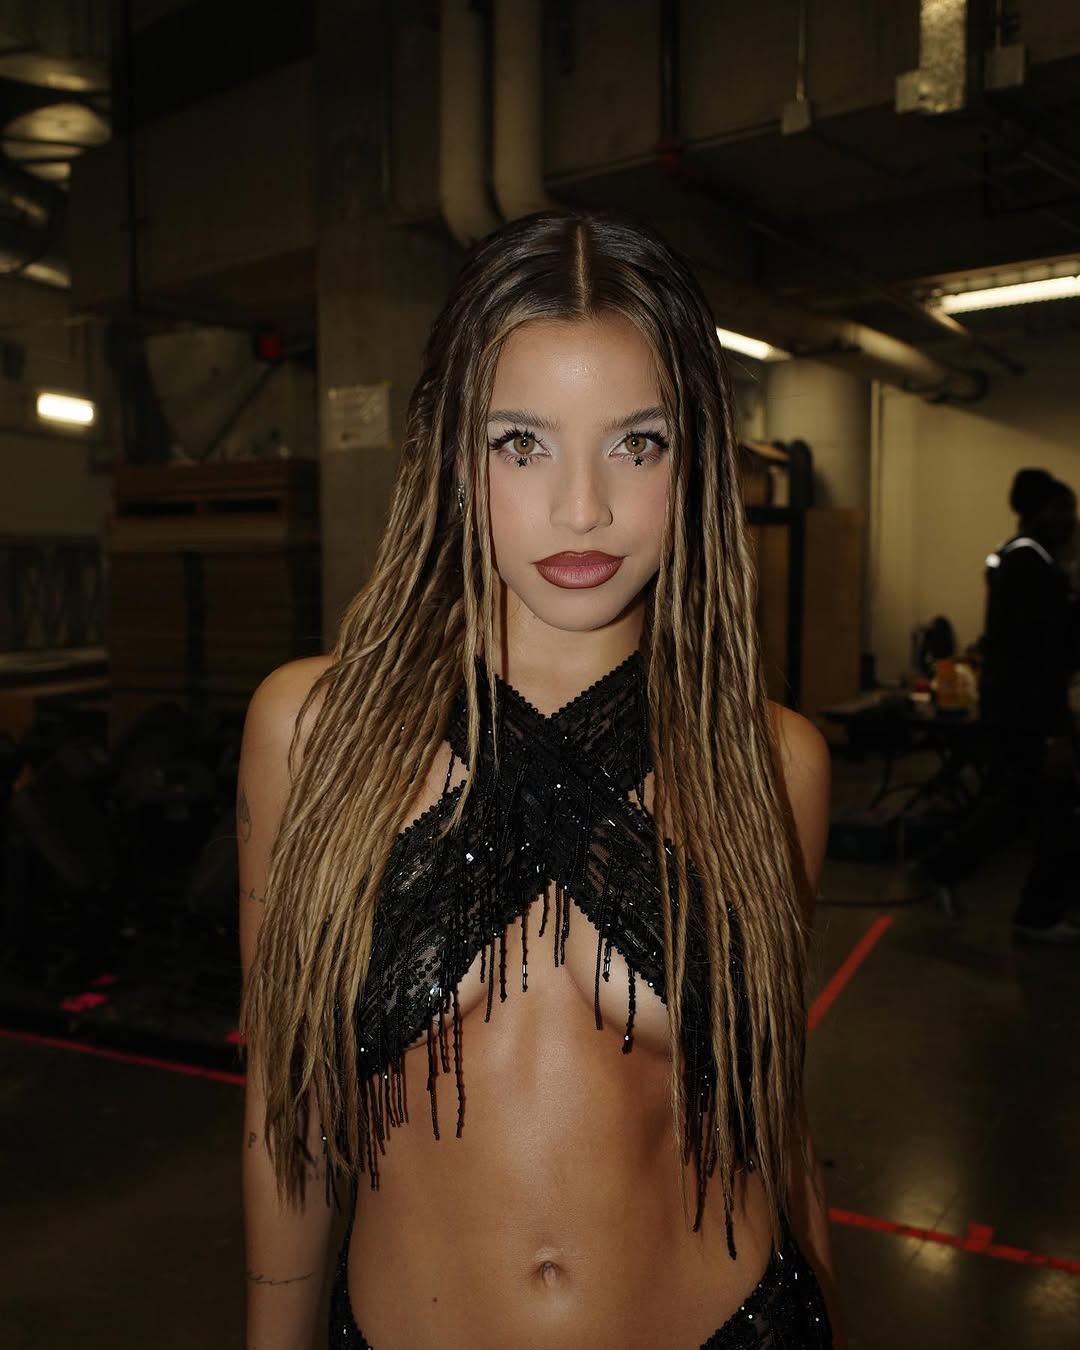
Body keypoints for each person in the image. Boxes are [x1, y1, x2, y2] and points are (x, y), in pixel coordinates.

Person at [238, 211, 838, 1350]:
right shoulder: (313, 736)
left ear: (697, 459)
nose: (582, 508)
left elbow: (775, 1120)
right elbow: (288, 1110)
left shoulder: (771, 764)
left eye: (638, 444)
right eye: (522, 442)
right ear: (446, 453)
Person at [922, 468, 1080, 940]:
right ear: (1043, 511)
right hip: (1028, 713)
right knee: (1045, 807)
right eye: (1065, 510)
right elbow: (1044, 654)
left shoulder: (1018, 556)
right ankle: (1034, 913)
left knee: (1021, 804)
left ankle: (947, 868)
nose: (1072, 521)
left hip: (1013, 707)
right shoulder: (1034, 567)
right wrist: (1055, 730)